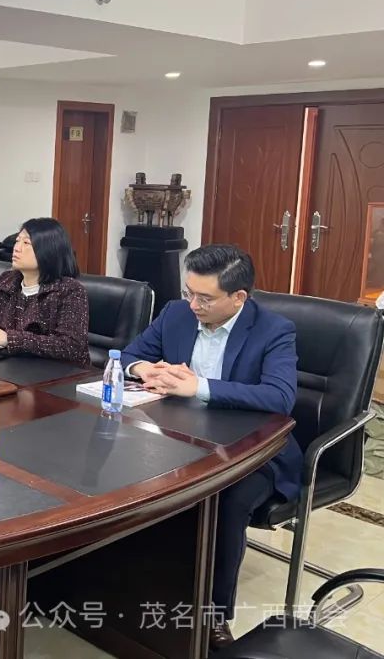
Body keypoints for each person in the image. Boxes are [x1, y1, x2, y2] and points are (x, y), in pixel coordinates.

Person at [120, 244, 300, 650]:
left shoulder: (274, 330)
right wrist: (146, 368)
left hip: (252, 450)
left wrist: (198, 386)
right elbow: (131, 354)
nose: (193, 305)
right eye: (189, 293)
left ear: (239, 297)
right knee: (124, 470)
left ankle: (214, 614)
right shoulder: (176, 313)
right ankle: (132, 588)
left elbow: (280, 397)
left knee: (226, 502)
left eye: (205, 298)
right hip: (180, 436)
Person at [0, 218, 89, 367]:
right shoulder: (8, 280)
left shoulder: (69, 291)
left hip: (53, 374)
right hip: (6, 368)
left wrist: (10, 339)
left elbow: (71, 346)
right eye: (17, 241)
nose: (17, 248)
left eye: (26, 243)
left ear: (49, 249)